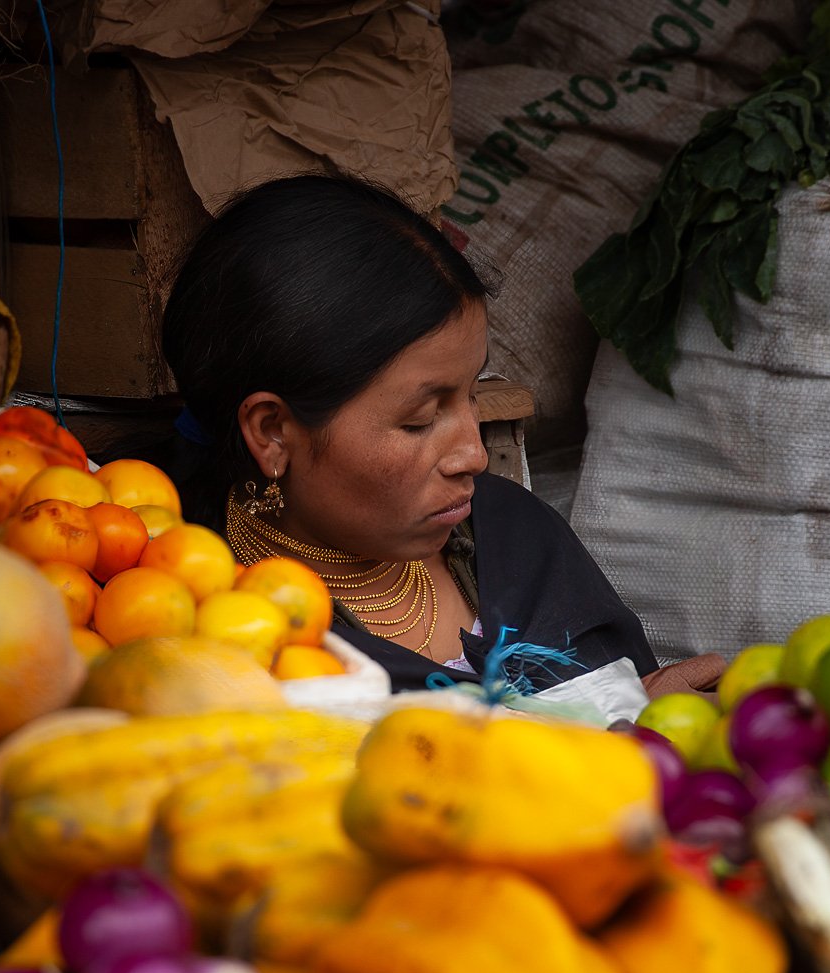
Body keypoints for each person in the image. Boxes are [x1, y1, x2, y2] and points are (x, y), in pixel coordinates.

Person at [154, 174, 723, 708]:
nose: (474, 455)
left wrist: (640, 714)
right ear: (274, 432)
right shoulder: (227, 639)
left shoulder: (517, 538)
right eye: (420, 420)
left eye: (472, 394)